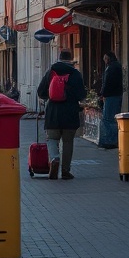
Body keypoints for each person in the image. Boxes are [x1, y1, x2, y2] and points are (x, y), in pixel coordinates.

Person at [36, 49, 86, 180]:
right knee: (68, 142)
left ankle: (54, 158)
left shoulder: (51, 72)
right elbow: (82, 95)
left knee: (52, 139)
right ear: (71, 60)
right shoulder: (75, 74)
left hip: (53, 113)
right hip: (70, 113)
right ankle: (65, 171)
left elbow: (41, 92)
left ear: (59, 58)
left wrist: (49, 96)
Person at [97, 51, 123, 148]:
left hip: (111, 96)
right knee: (112, 118)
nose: (105, 61)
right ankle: (113, 140)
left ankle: (110, 140)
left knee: (108, 118)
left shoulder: (111, 68)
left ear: (109, 59)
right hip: (115, 95)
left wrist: (102, 94)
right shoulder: (116, 66)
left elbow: (107, 83)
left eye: (106, 59)